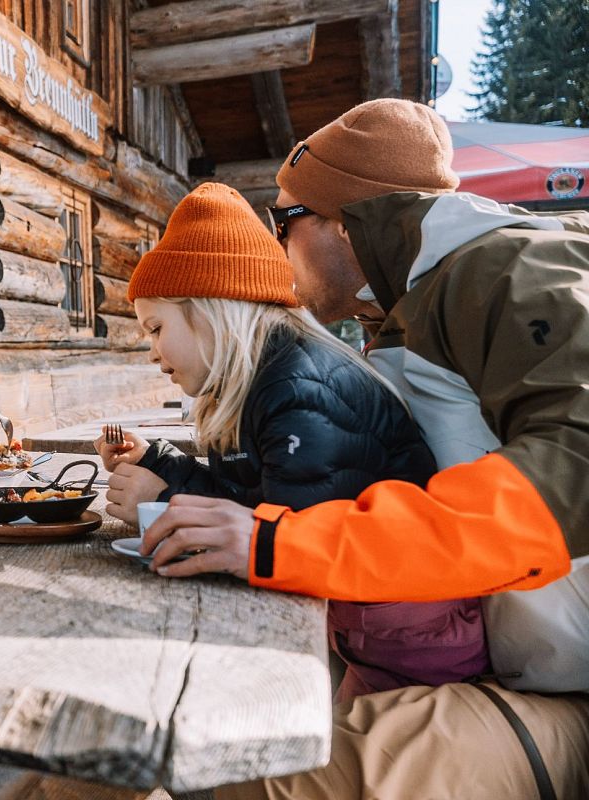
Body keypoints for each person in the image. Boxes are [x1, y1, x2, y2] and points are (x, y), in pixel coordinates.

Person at [141, 100, 589, 798]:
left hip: (558, 688)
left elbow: (570, 479)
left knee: (226, 776)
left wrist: (277, 543)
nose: (275, 247)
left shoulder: (511, 272)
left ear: (344, 222)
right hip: (496, 656)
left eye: (284, 222)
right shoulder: (407, 312)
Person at [96, 182, 491, 701]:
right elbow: (251, 496)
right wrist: (159, 462)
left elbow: (287, 539)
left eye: (155, 328)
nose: (151, 350)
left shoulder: (298, 389)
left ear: (210, 310)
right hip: (373, 625)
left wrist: (165, 501)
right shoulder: (263, 379)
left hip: (412, 643)